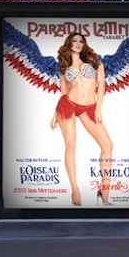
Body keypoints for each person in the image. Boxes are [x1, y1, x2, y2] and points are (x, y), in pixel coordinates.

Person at [49, 32, 115, 205]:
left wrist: (99, 109)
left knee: (107, 145)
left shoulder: (95, 62)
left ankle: (105, 189)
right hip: (68, 104)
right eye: (74, 41)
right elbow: (63, 92)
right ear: (69, 44)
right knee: (70, 145)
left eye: (81, 41)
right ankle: (75, 190)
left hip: (90, 107)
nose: (78, 43)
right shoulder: (64, 66)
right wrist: (55, 114)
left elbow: (101, 87)